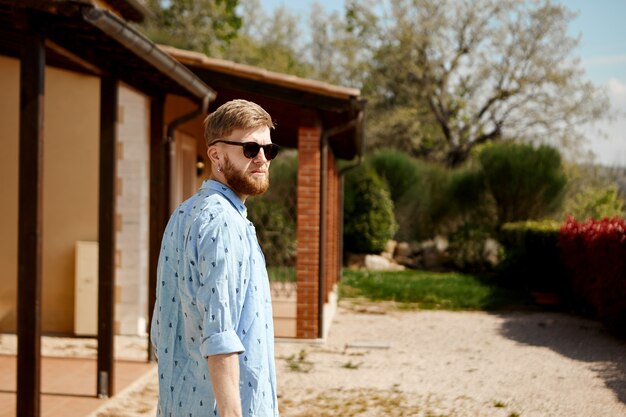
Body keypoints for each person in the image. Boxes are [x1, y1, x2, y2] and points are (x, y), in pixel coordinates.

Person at [151, 99, 280, 417]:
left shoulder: (185, 213)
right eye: (250, 149)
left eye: (269, 149)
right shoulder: (223, 221)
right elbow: (220, 335)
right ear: (216, 155)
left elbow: (161, 327)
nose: (262, 159)